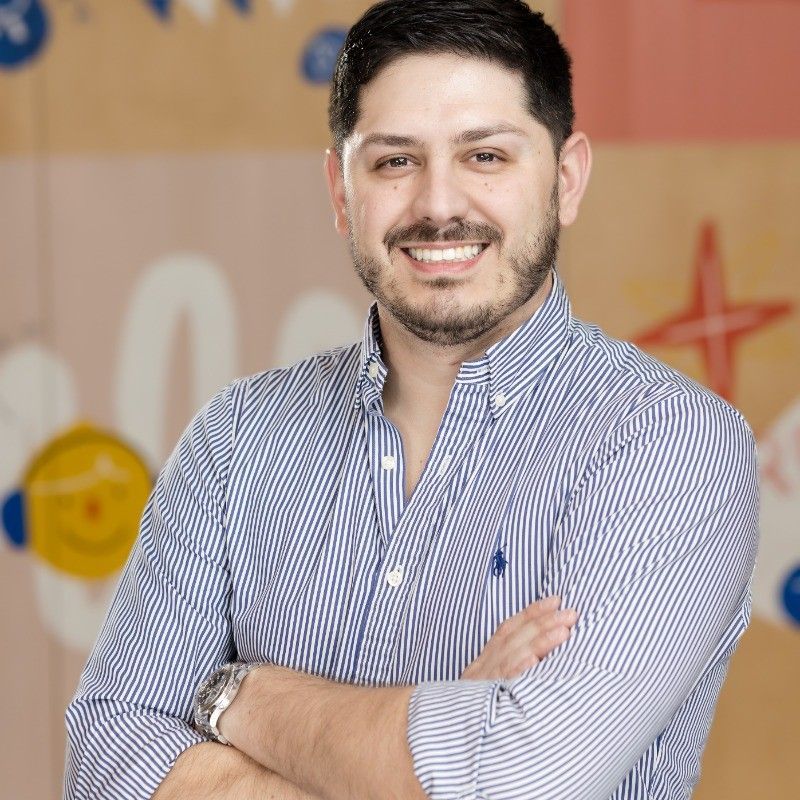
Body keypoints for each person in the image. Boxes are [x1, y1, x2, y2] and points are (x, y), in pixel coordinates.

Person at [64, 1, 759, 798]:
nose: (438, 205)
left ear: (565, 180)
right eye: (395, 161)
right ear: (340, 188)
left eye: (486, 157)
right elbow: (102, 761)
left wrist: (240, 696)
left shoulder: (671, 445)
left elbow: (516, 784)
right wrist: (438, 744)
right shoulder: (237, 439)